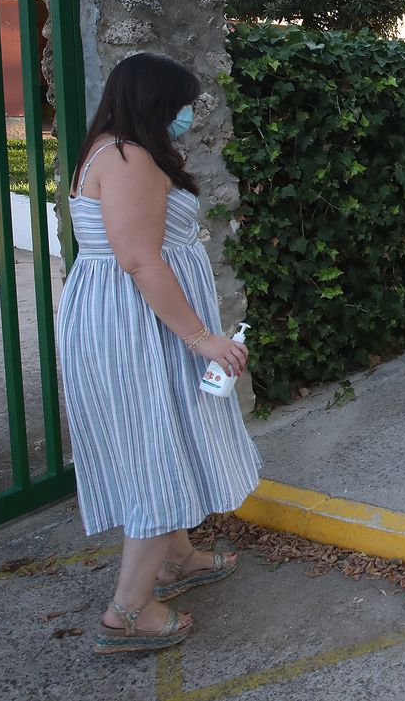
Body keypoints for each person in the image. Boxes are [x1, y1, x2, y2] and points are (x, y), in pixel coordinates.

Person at [57, 53, 259, 653]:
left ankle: (177, 556)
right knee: (154, 447)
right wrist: (203, 339)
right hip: (139, 328)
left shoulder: (111, 149)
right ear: (155, 100)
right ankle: (129, 609)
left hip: (131, 323)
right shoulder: (127, 157)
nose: (187, 114)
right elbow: (141, 261)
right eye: (181, 102)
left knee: (161, 436)